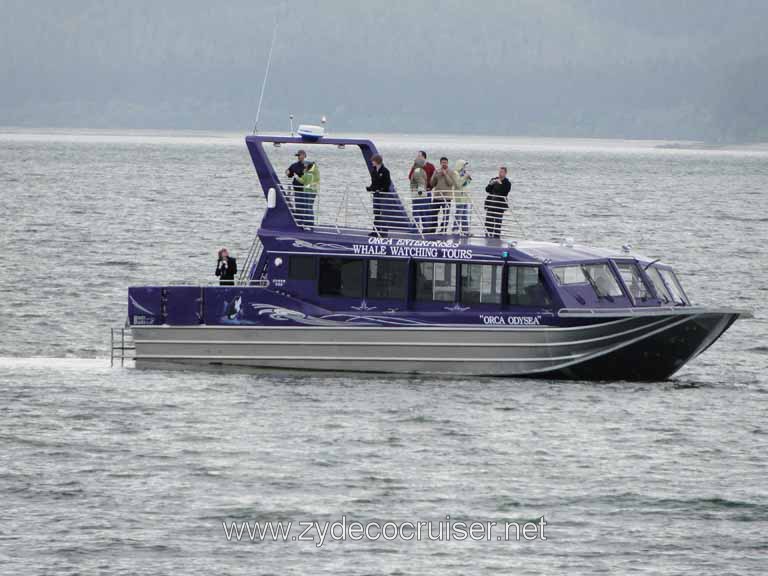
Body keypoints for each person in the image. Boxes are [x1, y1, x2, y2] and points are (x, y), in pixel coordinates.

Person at [409, 151, 437, 233]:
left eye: (419, 156)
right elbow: (410, 176)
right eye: (417, 156)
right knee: (417, 210)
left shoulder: (430, 166)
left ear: (424, 157)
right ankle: (416, 227)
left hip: (424, 192)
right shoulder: (416, 168)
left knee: (425, 211)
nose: (417, 157)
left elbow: (433, 179)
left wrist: (429, 188)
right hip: (418, 192)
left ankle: (425, 228)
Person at [430, 156, 458, 233]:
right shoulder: (437, 171)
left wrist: (445, 174)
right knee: (433, 213)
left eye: (445, 163)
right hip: (437, 196)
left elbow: (451, 183)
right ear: (440, 163)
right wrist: (434, 175)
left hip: (447, 197)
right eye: (442, 163)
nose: (444, 164)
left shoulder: (452, 172)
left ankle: (443, 229)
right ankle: (433, 228)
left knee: (446, 215)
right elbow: (432, 184)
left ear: (447, 163)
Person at [366, 154, 392, 236]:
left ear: (377, 161)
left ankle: (384, 232)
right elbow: (374, 183)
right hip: (376, 195)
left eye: (373, 161)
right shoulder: (374, 171)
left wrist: (381, 189)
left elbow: (388, 183)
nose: (371, 162)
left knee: (383, 213)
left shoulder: (385, 171)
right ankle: (375, 231)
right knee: (376, 213)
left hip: (383, 195)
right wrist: (370, 188)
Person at [484, 166, 511, 238]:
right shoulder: (494, 179)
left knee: (497, 224)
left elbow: (504, 192)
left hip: (499, 207)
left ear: (505, 173)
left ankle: (496, 239)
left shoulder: (507, 183)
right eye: (499, 172)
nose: (500, 173)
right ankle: (487, 237)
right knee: (488, 223)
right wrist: (491, 184)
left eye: (502, 172)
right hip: (490, 205)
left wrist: (500, 184)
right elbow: (487, 190)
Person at [295, 159, 319, 226]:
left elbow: (315, 181)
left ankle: (310, 222)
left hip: (311, 192)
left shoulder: (314, 172)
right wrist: (297, 178)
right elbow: (303, 181)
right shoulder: (306, 172)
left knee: (309, 207)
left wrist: (309, 185)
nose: (304, 166)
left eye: (305, 165)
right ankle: (306, 222)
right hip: (305, 191)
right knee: (305, 206)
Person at [453, 159, 472, 236]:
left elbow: (466, 183)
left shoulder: (463, 173)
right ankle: (455, 229)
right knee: (459, 213)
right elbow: (458, 184)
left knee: (464, 214)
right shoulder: (455, 173)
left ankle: (465, 231)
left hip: (465, 197)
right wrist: (465, 177)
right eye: (464, 165)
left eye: (465, 166)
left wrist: (468, 178)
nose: (464, 167)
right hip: (459, 196)